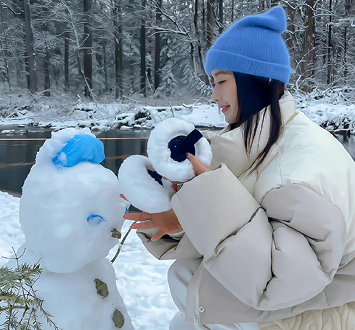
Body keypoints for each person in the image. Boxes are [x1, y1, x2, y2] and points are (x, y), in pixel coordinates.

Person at [123, 6, 355, 330]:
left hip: (312, 318)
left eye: (221, 81)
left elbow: (283, 276)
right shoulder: (267, 143)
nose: (214, 95)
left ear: (255, 79)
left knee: (190, 288)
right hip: (292, 309)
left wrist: (209, 199)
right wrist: (178, 218)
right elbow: (249, 226)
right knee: (186, 280)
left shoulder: (300, 166)